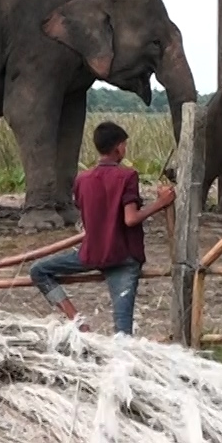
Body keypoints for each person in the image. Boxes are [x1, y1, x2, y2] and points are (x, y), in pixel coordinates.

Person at [28, 121, 174, 336]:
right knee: (122, 332)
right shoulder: (127, 176)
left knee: (39, 271)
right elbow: (130, 219)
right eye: (124, 144)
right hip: (123, 256)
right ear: (118, 147)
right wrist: (160, 203)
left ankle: (77, 321)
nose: (125, 149)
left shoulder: (82, 179)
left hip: (91, 253)